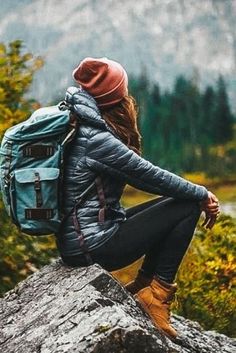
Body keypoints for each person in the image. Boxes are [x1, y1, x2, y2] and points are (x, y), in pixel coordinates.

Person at [56, 57, 220, 339]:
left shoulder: (81, 123)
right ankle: (157, 295)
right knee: (187, 204)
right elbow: (150, 176)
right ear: (114, 95)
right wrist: (203, 193)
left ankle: (145, 284)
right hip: (92, 247)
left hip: (81, 239)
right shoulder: (96, 139)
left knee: (177, 203)